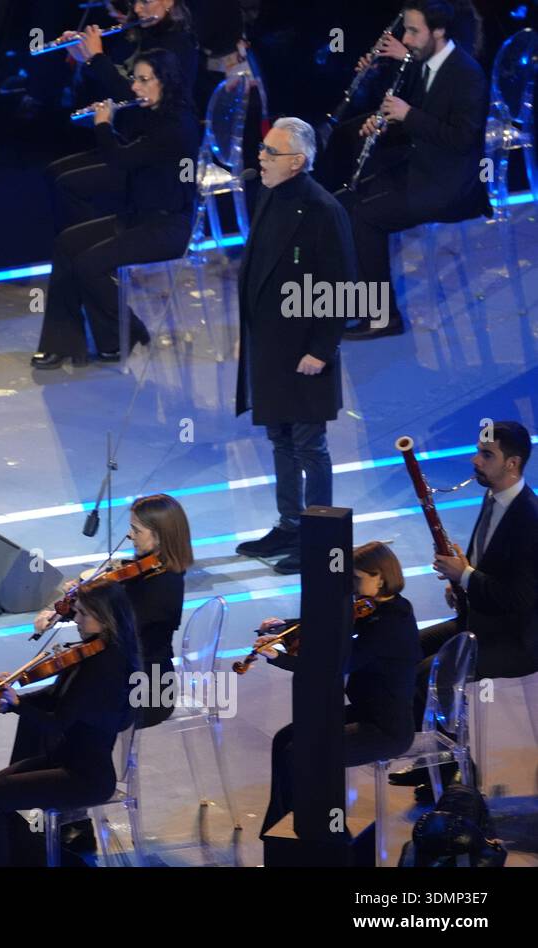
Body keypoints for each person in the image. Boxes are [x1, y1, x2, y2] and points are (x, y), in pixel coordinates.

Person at [233, 117, 357, 575]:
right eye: (262, 149)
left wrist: (322, 350)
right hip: (269, 348)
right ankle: (289, 524)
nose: (260, 158)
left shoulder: (323, 210)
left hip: (305, 351)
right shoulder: (271, 194)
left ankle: (318, 537)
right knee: (280, 439)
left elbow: (344, 284)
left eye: (270, 152)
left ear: (298, 162)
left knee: (309, 445)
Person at [395, 421, 538, 796]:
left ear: (513, 463)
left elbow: (518, 599)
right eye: (478, 451)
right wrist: (460, 578)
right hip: (478, 620)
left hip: (515, 639)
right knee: (403, 654)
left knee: (433, 675)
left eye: (487, 455)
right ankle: (436, 764)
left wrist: (467, 576)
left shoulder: (530, 520)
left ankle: (459, 773)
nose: (475, 460)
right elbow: (487, 566)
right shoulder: (493, 497)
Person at [32, 49, 198, 368]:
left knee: (88, 265)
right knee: (67, 243)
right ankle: (64, 343)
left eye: (144, 80)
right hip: (139, 218)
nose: (135, 87)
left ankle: (129, 331)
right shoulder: (154, 114)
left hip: (166, 228)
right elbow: (136, 153)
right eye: (135, 79)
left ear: (166, 82)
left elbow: (121, 160)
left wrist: (103, 125)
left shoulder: (177, 127)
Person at [338, 0, 489, 340]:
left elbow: (462, 139)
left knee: (365, 216)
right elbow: (415, 117)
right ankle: (360, 297)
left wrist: (408, 115)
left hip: (449, 182)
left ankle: (383, 317)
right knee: (348, 199)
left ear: (439, 32)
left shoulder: (466, 74)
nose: (405, 39)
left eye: (413, 31)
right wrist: (384, 120)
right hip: (422, 163)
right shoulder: (425, 60)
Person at [0, 580, 139, 866]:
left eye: (83, 614)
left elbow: (57, 723)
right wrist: (10, 702)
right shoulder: (94, 652)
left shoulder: (106, 666)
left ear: (106, 618)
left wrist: (18, 705)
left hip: (83, 778)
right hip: (62, 761)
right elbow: (54, 695)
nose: (76, 620)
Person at [258, 542, 420, 836]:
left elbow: (337, 665)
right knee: (285, 740)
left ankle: (321, 835)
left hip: (386, 730)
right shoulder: (374, 608)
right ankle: (280, 828)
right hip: (366, 713)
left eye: (357, 579)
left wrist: (280, 658)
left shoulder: (392, 621)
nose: (352, 586)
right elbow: (332, 626)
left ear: (380, 578)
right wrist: (286, 627)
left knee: (301, 753)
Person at [36, 493, 192, 729]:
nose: (130, 535)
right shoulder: (144, 569)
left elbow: (111, 631)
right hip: (123, 677)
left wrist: (81, 600)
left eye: (137, 531)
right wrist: (64, 608)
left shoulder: (164, 586)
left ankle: (79, 766)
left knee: (54, 713)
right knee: (44, 705)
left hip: (147, 691)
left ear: (160, 536)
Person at [44, 0, 199, 230]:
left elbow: (137, 98)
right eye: (135, 1)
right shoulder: (144, 34)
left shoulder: (176, 45)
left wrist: (96, 59)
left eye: (145, 1)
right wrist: (84, 57)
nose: (136, 9)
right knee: (54, 172)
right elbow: (120, 87)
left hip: (158, 160)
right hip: (137, 140)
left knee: (67, 185)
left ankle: (101, 246)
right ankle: (91, 244)